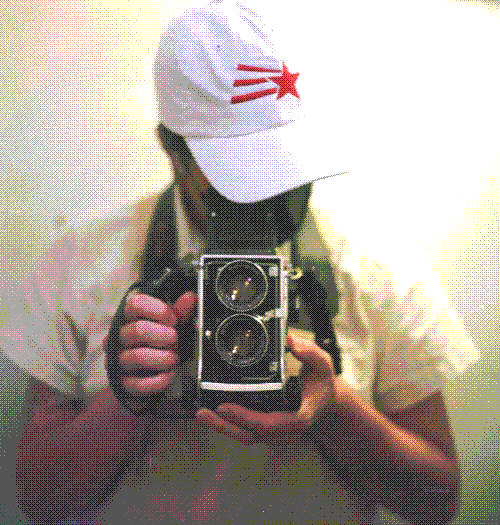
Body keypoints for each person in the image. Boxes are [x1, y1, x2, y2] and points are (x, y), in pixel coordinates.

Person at [3, 1, 479, 524]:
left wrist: (334, 409)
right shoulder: (83, 263)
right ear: (173, 151)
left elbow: (437, 503)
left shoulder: (377, 266)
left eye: (286, 169)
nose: (268, 200)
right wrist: (131, 397)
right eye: (242, 180)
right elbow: (41, 500)